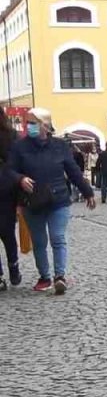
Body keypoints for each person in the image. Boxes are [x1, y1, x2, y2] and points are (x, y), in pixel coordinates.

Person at [2, 108, 97, 294]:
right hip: (33, 201)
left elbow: (73, 171)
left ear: (45, 125)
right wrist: (20, 179)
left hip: (58, 199)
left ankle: (60, 276)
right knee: (39, 241)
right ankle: (44, 277)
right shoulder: (19, 147)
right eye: (27, 122)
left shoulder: (60, 146)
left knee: (58, 237)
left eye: (32, 123)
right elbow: (9, 170)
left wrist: (88, 192)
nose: (28, 126)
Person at [0, 115, 19, 291]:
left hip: (6, 187)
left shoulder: (11, 135)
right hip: (7, 186)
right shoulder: (11, 135)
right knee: (8, 233)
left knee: (7, 232)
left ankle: (3, 274)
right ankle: (13, 269)